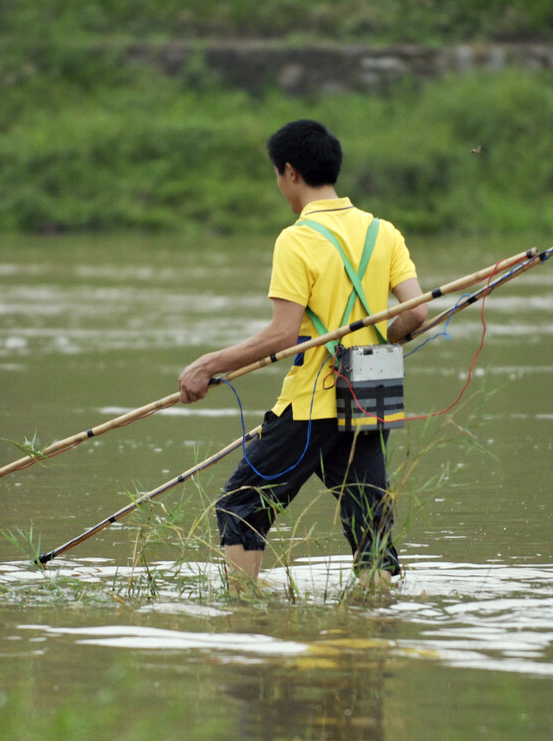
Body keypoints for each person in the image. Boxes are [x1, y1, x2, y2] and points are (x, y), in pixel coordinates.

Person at [178, 119, 428, 590]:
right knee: (369, 526)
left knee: (241, 506)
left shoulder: (296, 238)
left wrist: (207, 365)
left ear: (290, 172)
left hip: (315, 398)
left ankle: (244, 618)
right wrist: (378, 344)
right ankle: (379, 624)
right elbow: (417, 314)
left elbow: (282, 335)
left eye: (277, 174)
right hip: (371, 391)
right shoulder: (383, 232)